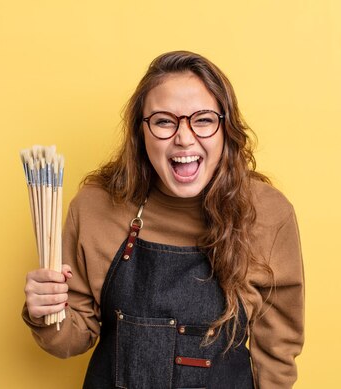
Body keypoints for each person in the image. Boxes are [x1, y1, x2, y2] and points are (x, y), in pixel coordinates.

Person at [22, 50, 305, 389]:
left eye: (203, 119)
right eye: (164, 121)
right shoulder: (95, 207)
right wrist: (45, 313)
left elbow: (277, 352)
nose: (184, 137)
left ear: (225, 128)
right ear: (140, 132)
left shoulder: (268, 213)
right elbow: (71, 340)